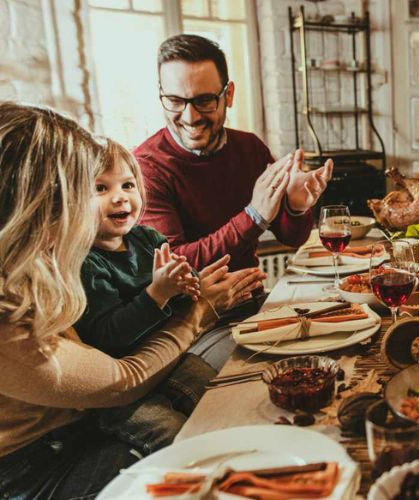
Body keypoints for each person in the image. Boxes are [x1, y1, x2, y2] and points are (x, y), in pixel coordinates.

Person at [0, 102, 260, 498]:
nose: (81, 217)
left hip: (82, 420)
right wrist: (199, 312)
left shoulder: (35, 263)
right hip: (42, 467)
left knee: (231, 407)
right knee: (201, 464)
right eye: (84, 192)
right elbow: (121, 382)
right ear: (31, 207)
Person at [75, 139, 242, 455]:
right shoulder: (86, 262)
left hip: (170, 361)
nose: (120, 197)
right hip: (124, 388)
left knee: (222, 403)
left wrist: (190, 285)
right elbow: (109, 335)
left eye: (127, 184)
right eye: (101, 188)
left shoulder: (147, 238)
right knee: (176, 438)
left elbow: (181, 291)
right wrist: (157, 294)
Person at [135, 34, 333, 272]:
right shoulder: (146, 167)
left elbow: (292, 238)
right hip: (194, 309)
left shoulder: (250, 148)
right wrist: (253, 216)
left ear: (228, 95)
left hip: (251, 299)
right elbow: (174, 265)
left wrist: (295, 207)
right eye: (175, 100)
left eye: (205, 100)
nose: (190, 117)